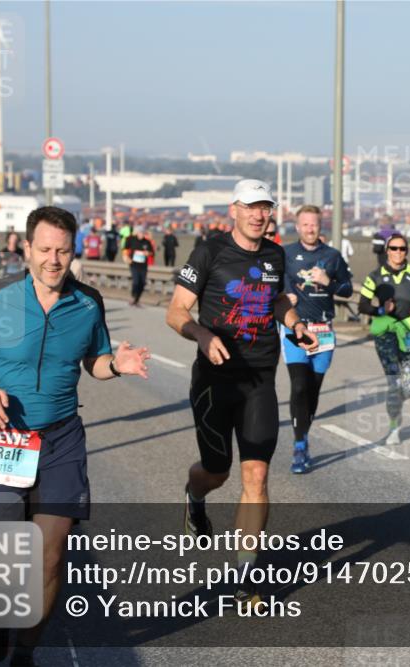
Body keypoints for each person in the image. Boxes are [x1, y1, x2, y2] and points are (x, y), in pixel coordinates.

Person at [0, 206, 150, 666]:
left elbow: (95, 362)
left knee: (51, 557)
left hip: (61, 441)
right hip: (4, 440)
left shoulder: (87, 302)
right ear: (26, 248)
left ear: (73, 251)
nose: (53, 260)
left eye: (62, 250)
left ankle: (26, 650)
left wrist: (118, 365)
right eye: (44, 249)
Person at [166, 179, 317, 610]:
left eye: (265, 207)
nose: (258, 214)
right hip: (214, 383)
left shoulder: (275, 253)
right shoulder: (209, 252)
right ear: (234, 209)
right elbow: (175, 311)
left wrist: (295, 323)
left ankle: (246, 576)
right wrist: (200, 334)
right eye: (251, 206)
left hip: (259, 381)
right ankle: (194, 496)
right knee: (217, 472)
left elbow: (276, 302)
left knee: (257, 476)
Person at [281, 205, 354, 472]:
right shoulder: (285, 254)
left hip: (324, 330)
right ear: (297, 227)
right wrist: (283, 297)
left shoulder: (332, 256)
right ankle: (300, 445)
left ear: (320, 227)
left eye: (314, 224)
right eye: (305, 224)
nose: (310, 229)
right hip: (296, 328)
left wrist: (328, 282)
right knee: (299, 385)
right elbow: (273, 282)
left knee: (312, 390)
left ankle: (304, 434)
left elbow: (347, 290)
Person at [358, 233, 410, 446]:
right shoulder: (375, 276)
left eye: (402, 249)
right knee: (395, 382)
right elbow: (362, 305)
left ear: (407, 251)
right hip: (385, 333)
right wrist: (379, 309)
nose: (398, 252)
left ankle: (395, 402)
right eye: (394, 248)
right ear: (387, 250)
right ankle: (394, 428)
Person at [123, 226, 154, 307]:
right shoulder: (132, 239)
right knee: (136, 281)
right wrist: (126, 258)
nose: (141, 234)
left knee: (142, 283)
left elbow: (152, 252)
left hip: (143, 265)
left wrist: (148, 253)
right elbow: (125, 248)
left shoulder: (147, 242)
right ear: (137, 233)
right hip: (134, 264)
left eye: (143, 233)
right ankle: (133, 296)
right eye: (140, 233)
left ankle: (137, 300)